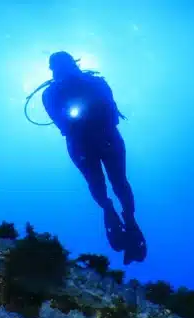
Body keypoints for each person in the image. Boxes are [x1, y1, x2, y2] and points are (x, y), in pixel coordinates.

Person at [41, 52, 147, 265]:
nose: (61, 69)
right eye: (57, 67)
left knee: (118, 181)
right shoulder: (51, 92)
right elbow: (58, 120)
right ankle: (109, 210)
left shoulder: (94, 81)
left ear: (72, 64)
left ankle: (128, 216)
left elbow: (110, 106)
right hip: (81, 142)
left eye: (64, 65)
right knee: (99, 183)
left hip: (105, 135)